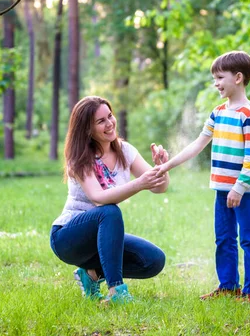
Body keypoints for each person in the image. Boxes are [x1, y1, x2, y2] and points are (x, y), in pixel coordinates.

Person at [156, 51, 250, 304]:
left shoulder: (249, 115)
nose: (216, 83)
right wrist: (168, 165)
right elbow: (198, 144)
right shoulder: (218, 112)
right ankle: (228, 286)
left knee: (249, 240)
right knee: (224, 238)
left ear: (238, 78)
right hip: (221, 188)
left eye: (219, 77)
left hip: (244, 192)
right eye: (214, 78)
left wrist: (239, 187)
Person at [50, 96, 170, 304]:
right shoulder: (80, 158)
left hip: (103, 237)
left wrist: (161, 168)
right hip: (68, 238)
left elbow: (160, 187)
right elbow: (98, 199)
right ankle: (116, 291)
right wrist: (139, 183)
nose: (110, 123)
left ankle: (91, 276)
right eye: (101, 121)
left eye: (110, 116)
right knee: (109, 211)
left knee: (153, 260)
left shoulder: (125, 151)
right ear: (87, 129)